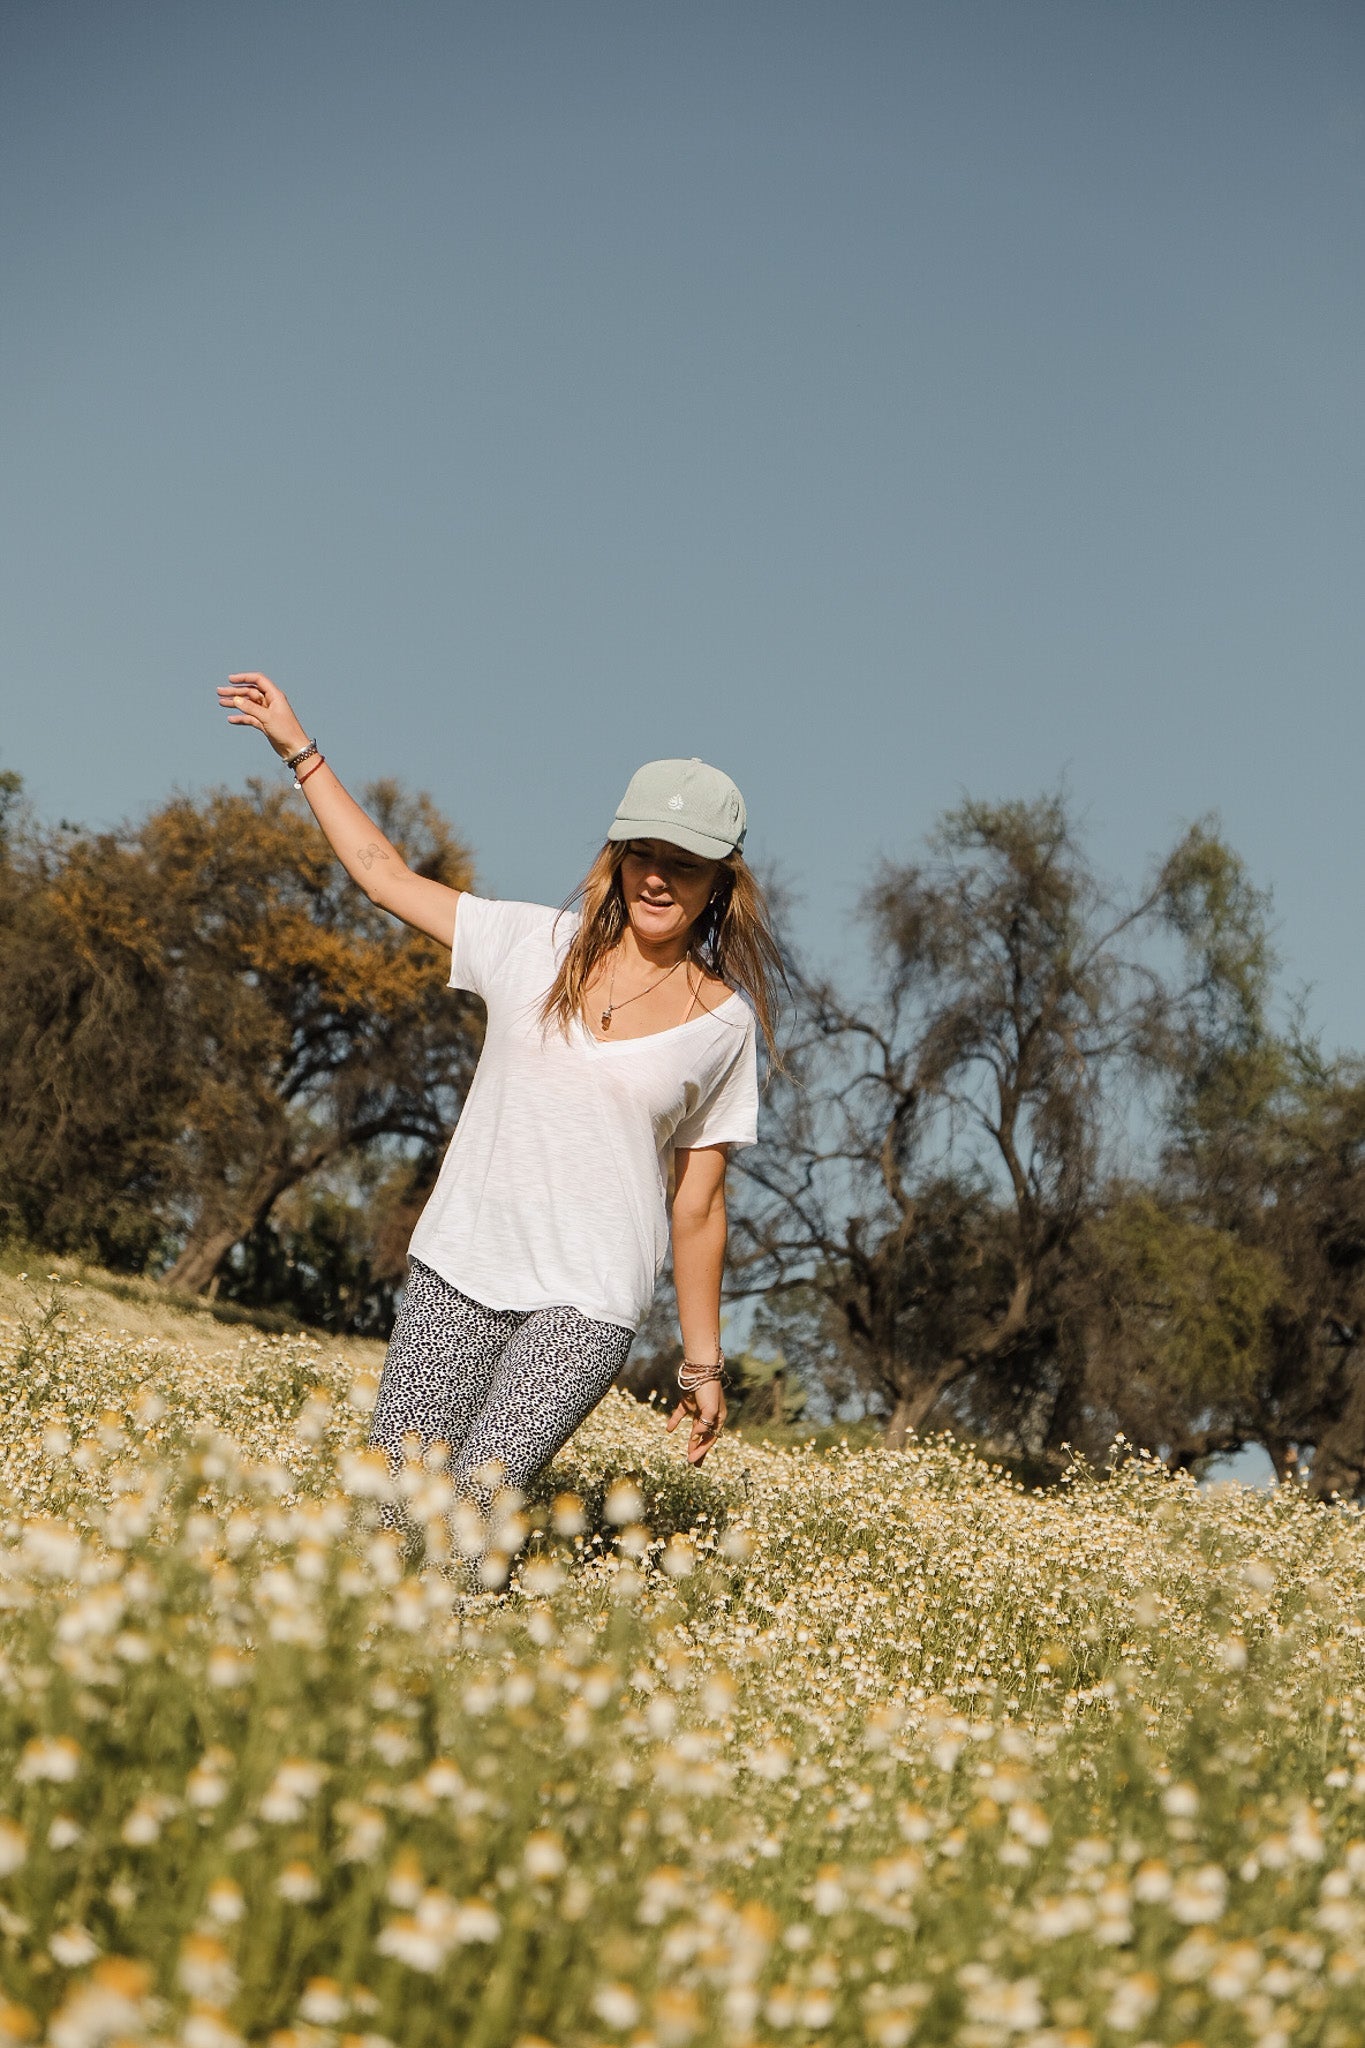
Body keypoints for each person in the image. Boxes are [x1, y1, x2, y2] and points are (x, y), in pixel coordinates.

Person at [217, 673, 783, 1504]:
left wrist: (703, 1361)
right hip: (459, 1261)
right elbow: (386, 878)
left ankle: (458, 1624)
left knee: (480, 1500)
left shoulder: (726, 1024)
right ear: (618, 860)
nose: (659, 881)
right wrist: (299, 751)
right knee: (395, 1508)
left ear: (718, 884)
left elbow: (698, 1204)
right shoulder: (531, 943)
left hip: (587, 1300)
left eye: (685, 865)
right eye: (645, 857)